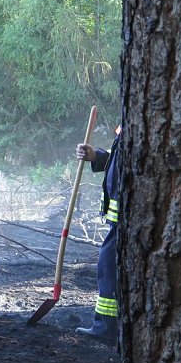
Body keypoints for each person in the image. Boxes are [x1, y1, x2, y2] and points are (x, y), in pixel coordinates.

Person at [74, 127, 120, 344]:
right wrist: (97, 157)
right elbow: (118, 159)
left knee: (107, 268)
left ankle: (107, 328)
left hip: (127, 223)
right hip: (123, 223)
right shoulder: (133, 121)